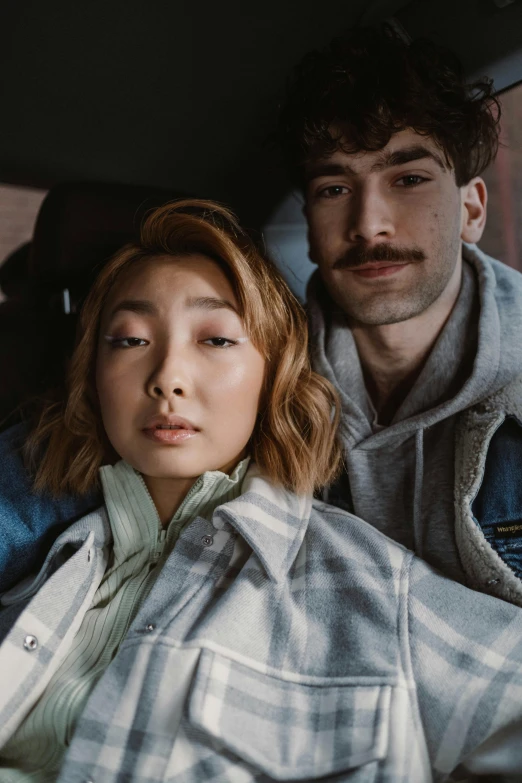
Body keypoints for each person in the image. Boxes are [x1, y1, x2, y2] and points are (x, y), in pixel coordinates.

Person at [1, 198, 522, 782]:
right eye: (129, 339)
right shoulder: (35, 562)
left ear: (273, 372)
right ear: (93, 375)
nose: (168, 376)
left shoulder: (372, 586)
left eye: (217, 340)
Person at [276, 23, 522, 604]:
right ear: (309, 227)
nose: (369, 224)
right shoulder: (254, 376)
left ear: (471, 209)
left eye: (409, 179)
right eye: (334, 189)